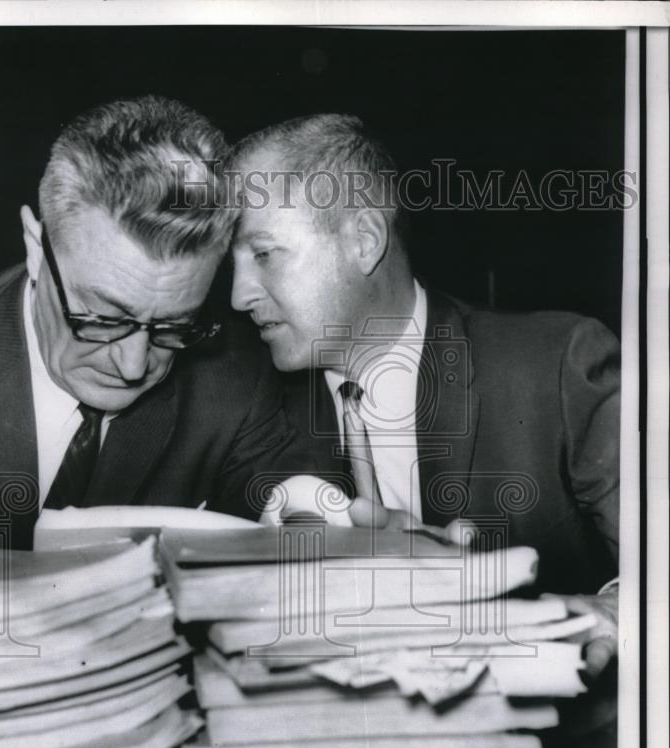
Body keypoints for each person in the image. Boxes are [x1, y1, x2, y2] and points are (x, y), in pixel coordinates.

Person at [228, 113, 620, 677]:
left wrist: (613, 611)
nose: (240, 294)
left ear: (364, 241)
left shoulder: (558, 364)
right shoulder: (242, 413)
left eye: (263, 254)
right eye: (233, 264)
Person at [0, 96, 311, 550]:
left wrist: (312, 518)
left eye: (174, 327)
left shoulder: (236, 386)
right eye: (103, 318)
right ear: (36, 250)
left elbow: (293, 506)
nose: (133, 367)